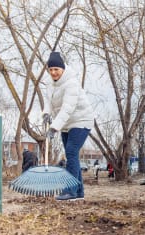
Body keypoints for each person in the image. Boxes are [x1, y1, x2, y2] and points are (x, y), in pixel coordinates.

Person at [42, 51, 93, 201]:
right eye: (51, 70)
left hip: (81, 120)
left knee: (71, 153)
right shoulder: (49, 83)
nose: (53, 72)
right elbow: (48, 101)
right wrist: (46, 113)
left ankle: (69, 191)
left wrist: (53, 128)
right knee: (72, 156)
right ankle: (78, 192)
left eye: (56, 69)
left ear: (63, 69)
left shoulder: (71, 83)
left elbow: (67, 108)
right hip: (65, 123)